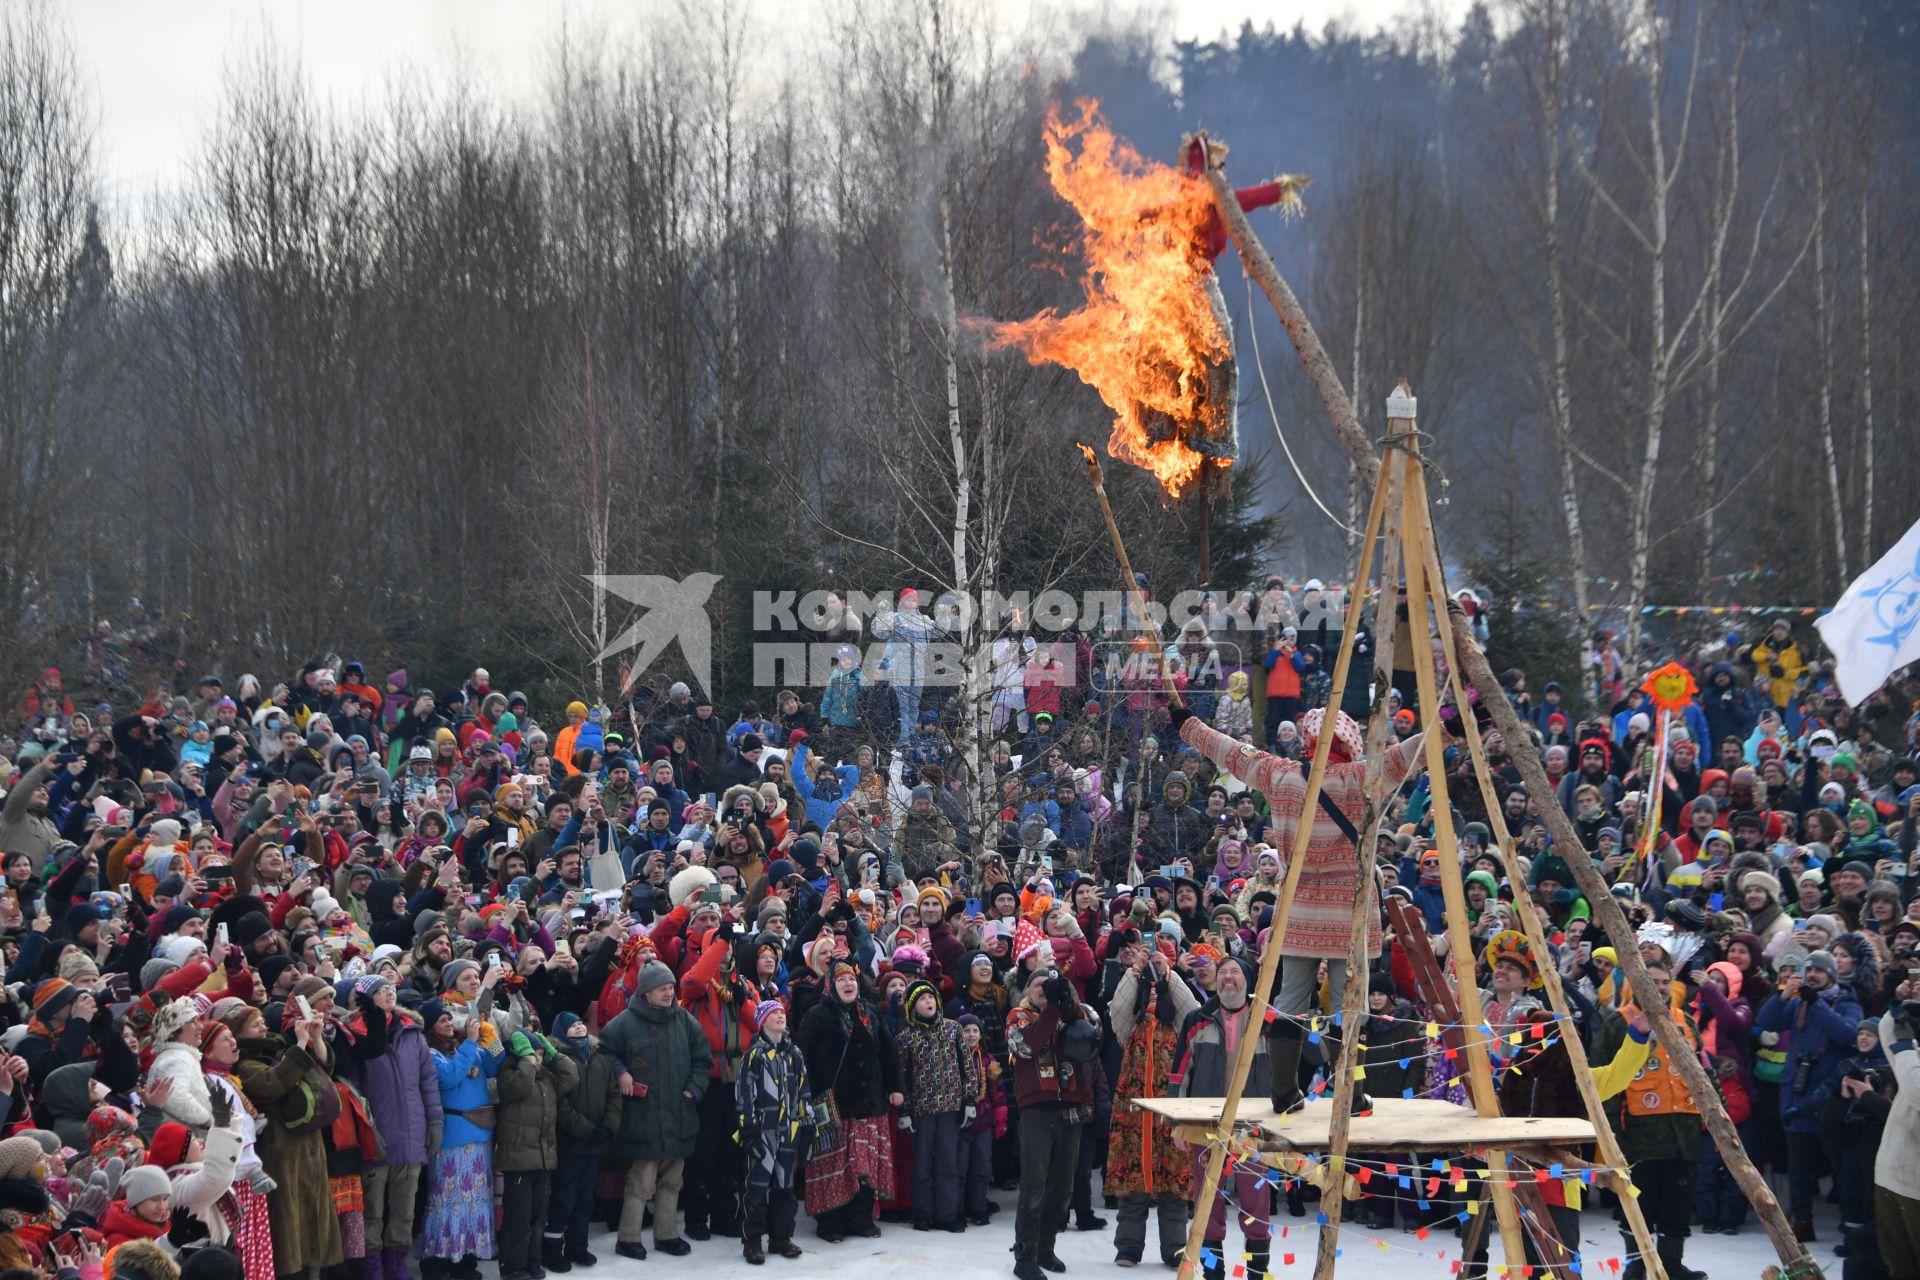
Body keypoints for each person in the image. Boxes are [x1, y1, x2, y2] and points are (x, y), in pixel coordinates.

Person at [1169, 702, 1424, 1115]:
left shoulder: (1280, 773)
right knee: (1348, 1003)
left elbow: (1231, 752)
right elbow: (1409, 754)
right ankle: (1351, 1093)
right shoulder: (1364, 777)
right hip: (1350, 908)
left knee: (1289, 999)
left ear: (1307, 737)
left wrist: (1189, 726)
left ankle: (1284, 1091)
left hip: (1300, 904)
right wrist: (1448, 729)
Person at [598, 958, 710, 1260]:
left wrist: (693, 1090)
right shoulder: (623, 1023)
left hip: (679, 1113)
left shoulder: (685, 1021)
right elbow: (604, 1053)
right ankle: (629, 1237)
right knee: (641, 1182)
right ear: (646, 992)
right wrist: (620, 1072)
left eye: (671, 987)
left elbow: (703, 1060)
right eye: (662, 988)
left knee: (673, 1180)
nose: (669, 993)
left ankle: (667, 1234)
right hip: (642, 1117)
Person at [797, 959, 900, 1243]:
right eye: (842, 980)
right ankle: (830, 1223)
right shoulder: (816, 1015)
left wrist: (895, 1086)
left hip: (868, 1103)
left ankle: (861, 1220)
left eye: (852, 980)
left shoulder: (869, 1013)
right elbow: (801, 1056)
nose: (848, 984)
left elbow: (888, 1052)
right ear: (831, 985)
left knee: (863, 1166)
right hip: (831, 1103)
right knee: (831, 1165)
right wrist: (807, 1093)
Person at [1005, 967, 1096, 1280]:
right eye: (1038, 985)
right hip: (1036, 1109)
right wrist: (1053, 1009)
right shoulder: (1019, 1016)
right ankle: (1025, 1255)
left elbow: (1091, 1041)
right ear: (1028, 990)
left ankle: (1046, 1248)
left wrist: (1066, 1005)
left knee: (1061, 1187)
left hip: (1071, 1105)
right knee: (1034, 1185)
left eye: (1051, 985)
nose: (1044, 990)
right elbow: (1028, 1045)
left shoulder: (1077, 1013)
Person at [494, 1026, 581, 1280]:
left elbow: (572, 1075)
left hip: (544, 1158)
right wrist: (527, 1058)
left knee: (537, 1217)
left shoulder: (547, 1078)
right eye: (534, 1054)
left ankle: (533, 1261)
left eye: (541, 1054)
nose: (538, 1058)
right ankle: (513, 1267)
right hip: (519, 1158)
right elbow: (519, 1086)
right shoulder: (509, 1073)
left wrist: (554, 1054)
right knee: (518, 1219)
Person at [735, 1000, 809, 1264]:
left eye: (781, 1012)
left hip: (790, 1130)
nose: (780, 1016)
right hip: (763, 1132)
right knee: (756, 1186)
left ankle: (781, 1237)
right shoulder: (754, 1055)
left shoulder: (795, 1054)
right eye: (773, 1013)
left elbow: (804, 1091)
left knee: (785, 1186)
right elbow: (744, 1094)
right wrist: (749, 1129)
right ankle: (752, 1240)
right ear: (762, 1021)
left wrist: (807, 1124)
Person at [896, 977, 968, 1233]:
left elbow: (966, 1066)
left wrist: (968, 1100)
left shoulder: (953, 1029)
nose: (928, 1002)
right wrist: (904, 1110)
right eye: (921, 999)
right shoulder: (906, 1037)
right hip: (921, 1110)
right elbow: (901, 1076)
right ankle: (923, 1213)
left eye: (930, 998)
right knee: (922, 1164)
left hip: (950, 1106)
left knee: (948, 1163)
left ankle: (948, 1214)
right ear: (912, 1007)